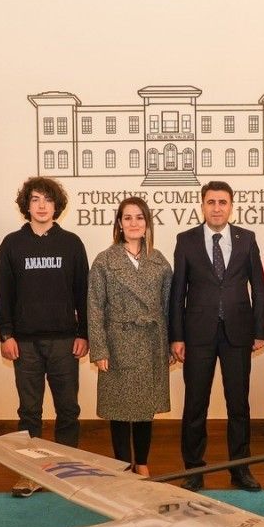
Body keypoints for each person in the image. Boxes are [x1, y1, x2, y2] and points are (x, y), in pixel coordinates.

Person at [169, 181, 264, 492]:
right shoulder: (186, 240)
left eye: (222, 202)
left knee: (238, 405)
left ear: (231, 206)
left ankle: (240, 470)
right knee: (195, 405)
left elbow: (259, 287)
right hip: (197, 334)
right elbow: (177, 293)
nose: (216, 208)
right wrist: (177, 336)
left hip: (238, 334)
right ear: (202, 205)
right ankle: (194, 470)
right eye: (210, 202)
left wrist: (259, 331)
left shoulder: (246, 239)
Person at [0, 176, 89, 497]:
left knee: (68, 410)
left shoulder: (72, 243)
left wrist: (84, 333)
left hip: (65, 341)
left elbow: (83, 293)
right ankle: (29, 474)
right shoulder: (12, 244)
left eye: (48, 200)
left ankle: (67, 475)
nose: (42, 206)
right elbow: (4, 295)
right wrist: (5, 334)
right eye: (35, 199)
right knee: (29, 413)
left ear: (56, 205)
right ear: (27, 205)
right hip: (25, 343)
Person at [87, 197, 174, 476]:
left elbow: (168, 307)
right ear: (119, 224)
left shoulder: (159, 261)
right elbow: (95, 307)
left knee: (145, 409)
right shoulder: (105, 261)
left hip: (151, 343)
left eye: (139, 217)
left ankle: (143, 463)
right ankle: (123, 465)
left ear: (147, 223)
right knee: (120, 409)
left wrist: (169, 345)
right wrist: (99, 349)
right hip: (117, 344)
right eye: (127, 218)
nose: (134, 223)